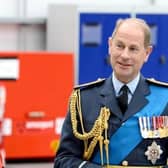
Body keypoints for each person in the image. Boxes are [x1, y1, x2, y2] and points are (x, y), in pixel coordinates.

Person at [54, 18, 168, 168]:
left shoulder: (164, 99)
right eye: (120, 46)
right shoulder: (83, 99)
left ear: (147, 53)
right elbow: (63, 159)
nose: (125, 55)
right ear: (110, 45)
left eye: (133, 49)